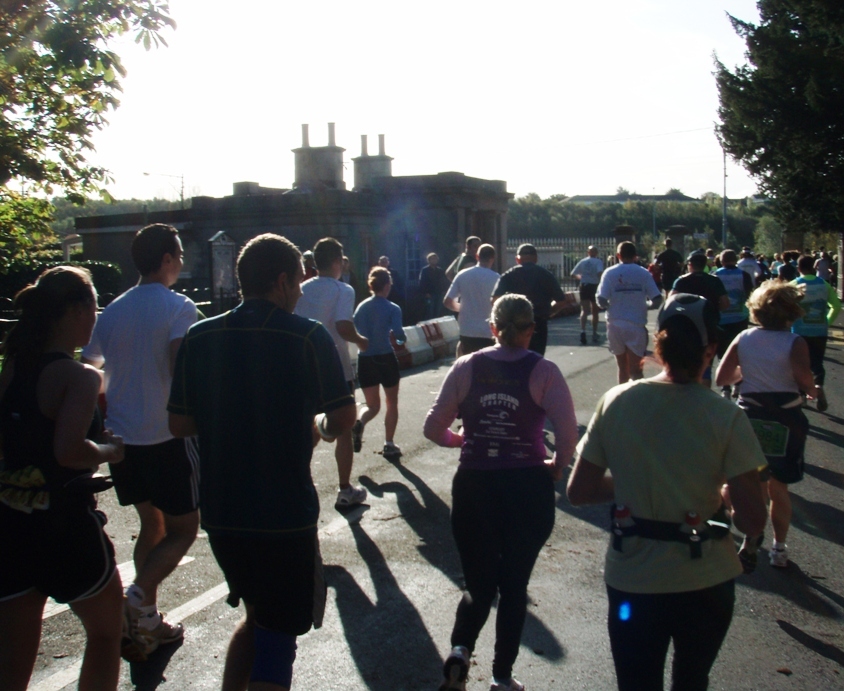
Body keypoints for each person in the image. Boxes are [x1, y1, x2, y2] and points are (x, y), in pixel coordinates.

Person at [168, 234, 356, 691]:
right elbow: (343, 415)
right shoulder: (307, 335)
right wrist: (320, 429)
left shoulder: (200, 334)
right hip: (283, 512)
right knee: (279, 634)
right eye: (297, 282)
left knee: (258, 618)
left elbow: (179, 425)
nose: (299, 292)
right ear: (281, 280)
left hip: (222, 511)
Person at [567, 293, 767, 691]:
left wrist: (631, 482)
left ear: (658, 344)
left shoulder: (617, 401)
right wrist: (725, 495)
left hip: (633, 578)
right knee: (692, 679)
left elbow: (580, 490)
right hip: (706, 578)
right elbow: (753, 520)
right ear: (710, 350)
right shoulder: (726, 415)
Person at [425, 294, 578, 691]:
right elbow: (566, 435)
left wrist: (459, 440)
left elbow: (431, 428)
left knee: (478, 584)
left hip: (475, 485)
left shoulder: (466, 366)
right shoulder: (544, 371)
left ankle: (460, 651)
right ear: (531, 330)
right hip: (527, 487)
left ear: (492, 328)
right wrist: (556, 466)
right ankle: (502, 676)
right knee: (513, 587)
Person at [0, 267, 126, 691]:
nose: (96, 318)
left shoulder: (14, 365)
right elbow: (69, 451)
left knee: (13, 659)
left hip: (13, 520)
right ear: (76, 310)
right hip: (66, 526)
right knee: (108, 632)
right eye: (94, 306)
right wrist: (111, 450)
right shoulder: (80, 376)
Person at [81, 223, 198, 661]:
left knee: (153, 524)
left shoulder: (111, 311)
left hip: (123, 439)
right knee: (185, 529)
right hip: (166, 434)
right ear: (166, 260)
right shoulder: (179, 307)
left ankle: (145, 622)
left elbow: (89, 366)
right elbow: (179, 367)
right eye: (180, 255)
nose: (182, 262)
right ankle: (139, 596)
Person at [715, 281, 818, 569]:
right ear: (792, 311)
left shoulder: (744, 337)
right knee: (779, 488)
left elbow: (722, 378)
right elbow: (803, 378)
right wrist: (814, 390)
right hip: (786, 418)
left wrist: (746, 373)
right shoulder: (795, 342)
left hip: (751, 416)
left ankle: (751, 538)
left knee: (754, 483)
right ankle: (779, 549)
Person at [295, 237, 370, 508]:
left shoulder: (300, 289)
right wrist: (361, 341)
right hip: (336, 367)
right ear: (338, 262)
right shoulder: (343, 290)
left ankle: (298, 479)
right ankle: (345, 488)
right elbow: (342, 327)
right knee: (345, 429)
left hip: (304, 367)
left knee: (307, 428)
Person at [352, 267, 407, 460]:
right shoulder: (393, 308)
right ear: (386, 285)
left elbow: (355, 329)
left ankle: (360, 421)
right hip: (385, 357)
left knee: (372, 405)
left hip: (365, 358)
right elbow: (399, 336)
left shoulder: (361, 307)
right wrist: (400, 340)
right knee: (391, 402)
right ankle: (389, 444)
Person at [596, 241, 663, 384]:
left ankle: (622, 399)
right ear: (635, 256)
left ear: (618, 255)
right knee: (636, 370)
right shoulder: (643, 273)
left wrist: (611, 305)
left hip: (615, 324)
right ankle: (638, 399)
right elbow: (657, 299)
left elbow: (601, 299)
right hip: (636, 324)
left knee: (622, 368)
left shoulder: (609, 272)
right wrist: (645, 306)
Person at [492, 243, 567, 356]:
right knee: (535, 360)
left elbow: (495, 299)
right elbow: (561, 301)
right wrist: (548, 313)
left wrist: (505, 314)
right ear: (536, 258)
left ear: (517, 259)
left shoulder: (508, 275)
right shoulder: (546, 275)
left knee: (511, 358)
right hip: (538, 323)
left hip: (512, 324)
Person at [791, 254, 842, 412]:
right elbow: (836, 306)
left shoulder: (794, 285)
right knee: (817, 362)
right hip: (820, 329)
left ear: (798, 268)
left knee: (799, 363)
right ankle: (818, 384)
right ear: (814, 267)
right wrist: (827, 321)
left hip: (799, 331)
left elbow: (786, 307)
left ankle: (802, 397)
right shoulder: (824, 284)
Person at [671, 251, 730, 387]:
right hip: (708, 326)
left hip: (685, 328)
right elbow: (725, 303)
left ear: (689, 265)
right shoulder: (714, 281)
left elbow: (671, 303)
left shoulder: (681, 281)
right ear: (704, 265)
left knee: (685, 362)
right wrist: (713, 310)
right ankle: (704, 396)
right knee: (705, 364)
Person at [443, 243, 500, 355]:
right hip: (488, 331)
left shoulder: (462, 275)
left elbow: (448, 301)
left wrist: (462, 308)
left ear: (477, 257)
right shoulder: (497, 278)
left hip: (467, 329)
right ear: (493, 259)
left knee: (467, 365)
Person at [714, 249, 755, 398]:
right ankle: (738, 384)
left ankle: (725, 387)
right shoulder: (743, 275)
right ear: (735, 259)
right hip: (739, 317)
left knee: (723, 353)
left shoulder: (715, 275)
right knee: (739, 351)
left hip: (721, 319)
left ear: (721, 261)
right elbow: (751, 294)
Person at [571, 245, 604, 344]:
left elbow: (572, 273)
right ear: (596, 253)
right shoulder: (598, 262)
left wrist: (581, 278)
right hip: (594, 286)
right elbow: (599, 273)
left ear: (588, 252)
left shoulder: (583, 261)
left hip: (584, 286)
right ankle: (594, 333)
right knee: (595, 310)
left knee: (584, 310)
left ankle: (583, 331)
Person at [419, 252, 450, 320]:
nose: (434, 260)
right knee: (430, 311)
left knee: (438, 311)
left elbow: (444, 281)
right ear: (429, 260)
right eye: (432, 259)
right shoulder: (425, 270)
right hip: (430, 294)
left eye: (435, 259)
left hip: (439, 293)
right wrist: (425, 293)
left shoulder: (440, 270)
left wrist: (444, 291)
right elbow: (422, 282)